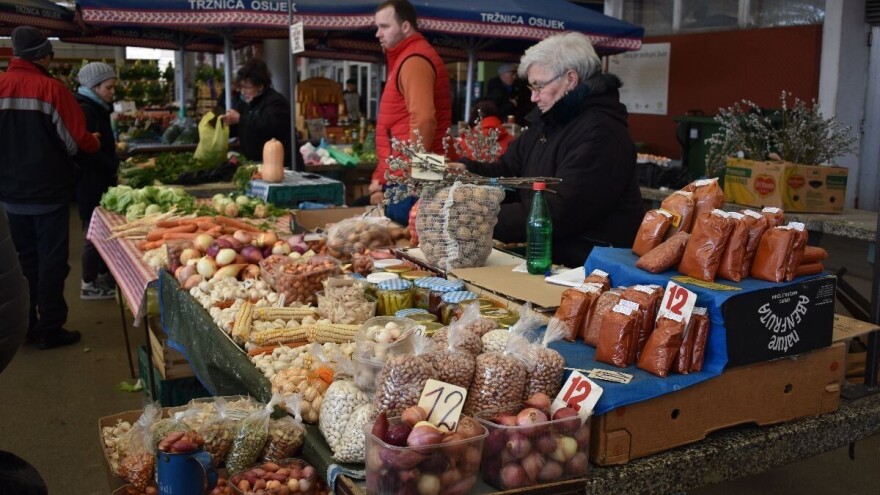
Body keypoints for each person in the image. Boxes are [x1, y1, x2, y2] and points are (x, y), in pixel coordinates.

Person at [451, 32, 644, 268]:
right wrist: (465, 172)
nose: (533, 97)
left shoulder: (601, 132)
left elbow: (558, 211)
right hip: (551, 259)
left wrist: (475, 216)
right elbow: (509, 172)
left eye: (539, 86)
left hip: (588, 269)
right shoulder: (547, 122)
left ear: (570, 79)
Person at [0, 26, 100, 350]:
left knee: (23, 262)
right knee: (52, 262)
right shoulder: (51, 89)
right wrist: (95, 143)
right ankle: (51, 328)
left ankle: (26, 326)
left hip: (10, 196)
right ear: (43, 55)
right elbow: (76, 143)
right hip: (49, 194)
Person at [369, 0, 453, 225]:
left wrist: (417, 177)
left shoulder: (414, 60)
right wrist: (381, 174)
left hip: (411, 178)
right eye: (377, 27)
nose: (378, 33)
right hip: (408, 174)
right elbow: (397, 125)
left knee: (412, 246)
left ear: (406, 27)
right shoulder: (409, 57)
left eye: (385, 26)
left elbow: (425, 119)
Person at [74, 62, 120, 300]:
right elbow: (88, 151)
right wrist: (111, 165)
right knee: (95, 233)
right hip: (91, 182)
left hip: (98, 180)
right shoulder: (86, 109)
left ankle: (100, 276)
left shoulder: (97, 107)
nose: (113, 92)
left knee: (100, 231)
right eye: (108, 87)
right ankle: (88, 283)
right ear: (94, 86)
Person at [222, 58, 296, 170]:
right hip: (256, 164)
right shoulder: (246, 103)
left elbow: (266, 124)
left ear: (261, 86)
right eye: (242, 87)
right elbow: (240, 127)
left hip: (280, 166)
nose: (243, 91)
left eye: (247, 87)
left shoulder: (276, 102)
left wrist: (240, 118)